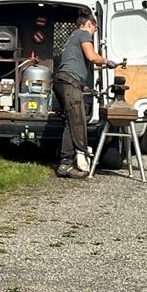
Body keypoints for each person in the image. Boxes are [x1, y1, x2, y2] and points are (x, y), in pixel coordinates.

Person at [53, 10, 119, 178]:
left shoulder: (73, 37)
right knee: (78, 121)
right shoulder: (83, 33)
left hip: (63, 82)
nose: (93, 33)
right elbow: (91, 56)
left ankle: (65, 164)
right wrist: (106, 60)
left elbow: (83, 62)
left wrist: (85, 83)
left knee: (70, 122)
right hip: (69, 82)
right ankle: (78, 159)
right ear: (89, 24)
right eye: (94, 29)